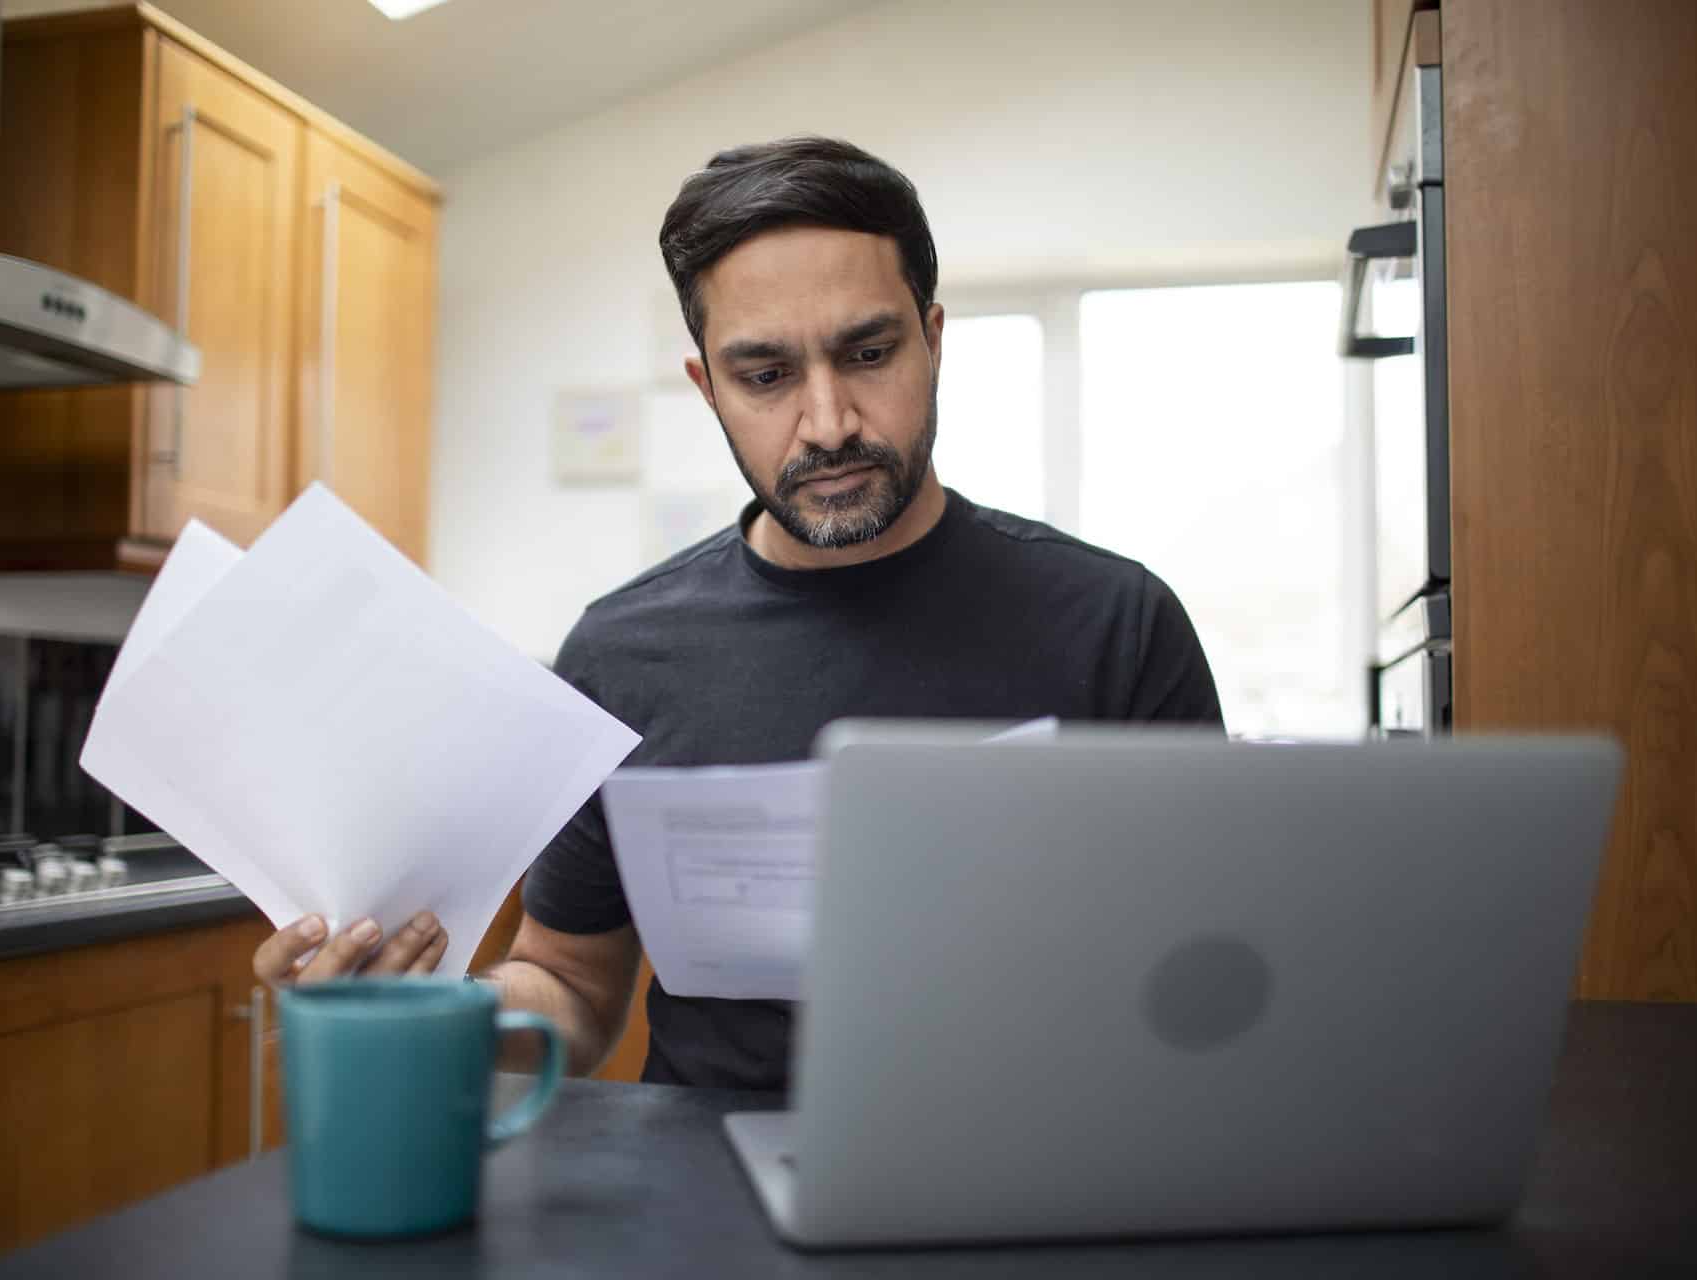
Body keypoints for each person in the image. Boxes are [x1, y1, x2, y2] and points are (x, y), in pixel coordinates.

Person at [254, 136, 1223, 1091]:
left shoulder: (1117, 625)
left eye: (870, 351)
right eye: (766, 375)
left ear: (934, 340)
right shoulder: (622, 652)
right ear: (707, 385)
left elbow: (1212, 978)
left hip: (1029, 1183)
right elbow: (574, 990)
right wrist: (433, 1001)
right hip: (702, 1201)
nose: (830, 420)